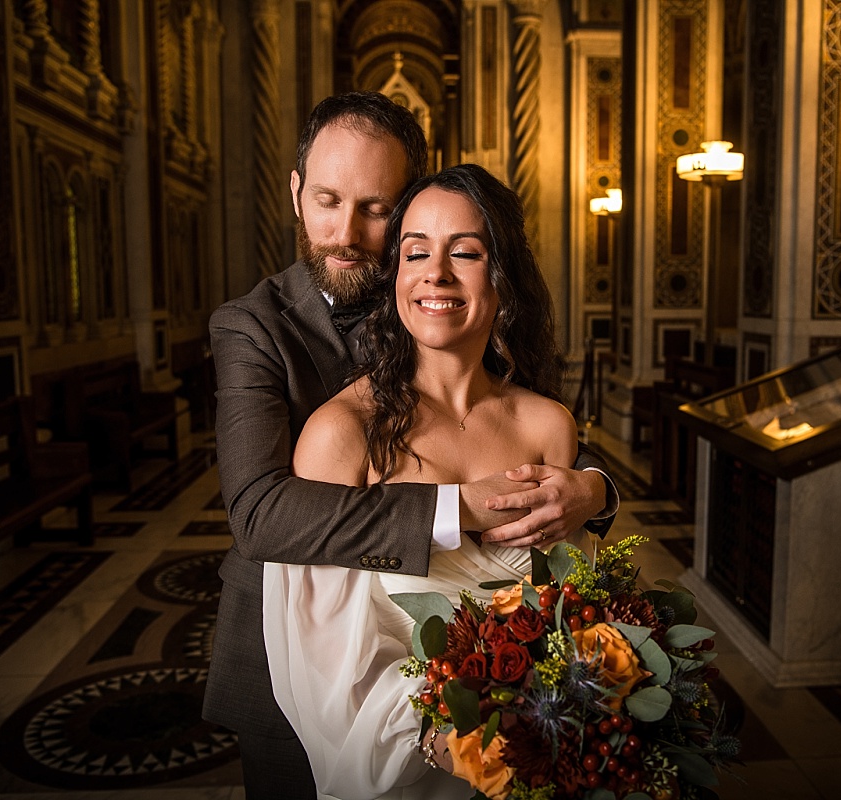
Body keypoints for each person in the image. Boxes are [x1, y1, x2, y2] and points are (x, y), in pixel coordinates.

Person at [203, 92, 617, 799]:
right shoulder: (256, 330)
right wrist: (462, 508)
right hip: (303, 667)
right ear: (297, 192)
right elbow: (261, 514)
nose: (345, 231)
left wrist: (598, 490)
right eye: (328, 200)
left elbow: (558, 533)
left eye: (375, 209)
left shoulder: (527, 401)